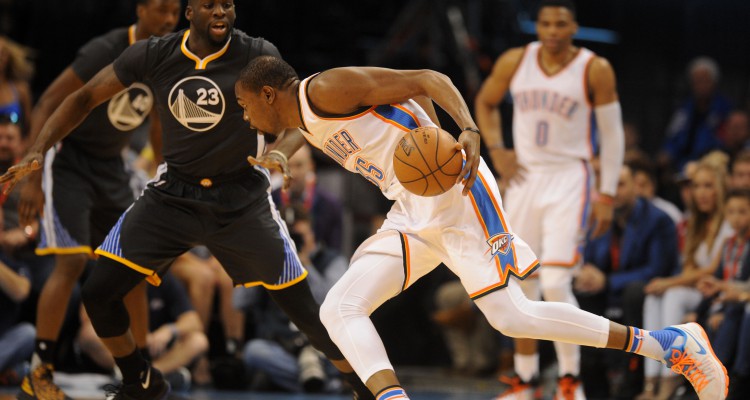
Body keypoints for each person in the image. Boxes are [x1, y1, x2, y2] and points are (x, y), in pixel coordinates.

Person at [234, 54, 729, 400]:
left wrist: (464, 130)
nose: (243, 114)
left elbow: (428, 78)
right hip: (410, 208)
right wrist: (280, 152)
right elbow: (305, 127)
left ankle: (669, 344)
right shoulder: (305, 112)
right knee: (340, 308)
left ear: (268, 93)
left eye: (244, 104)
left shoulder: (327, 88)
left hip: (456, 195)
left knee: (512, 317)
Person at [0, 1, 373, 399]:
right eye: (210, 5)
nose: (220, 13)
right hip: (174, 195)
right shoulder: (154, 53)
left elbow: (303, 115)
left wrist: (280, 152)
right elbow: (82, 98)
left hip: (241, 198)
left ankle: (360, 385)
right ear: (190, 11)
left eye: (227, 5)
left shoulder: (257, 53)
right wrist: (38, 150)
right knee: (98, 292)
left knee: (306, 312)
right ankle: (140, 379)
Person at [14, 2, 181, 399]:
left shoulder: (166, 57)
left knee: (133, 266)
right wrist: (32, 174)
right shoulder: (105, 50)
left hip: (112, 168)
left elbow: (158, 124)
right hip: (70, 160)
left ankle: (139, 375)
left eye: (176, 13)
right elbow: (46, 102)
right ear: (140, 9)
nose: (169, 21)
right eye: (162, 11)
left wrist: (166, 175)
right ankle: (39, 373)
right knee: (71, 262)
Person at [473, 0, 625, 397]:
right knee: (521, 285)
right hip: (524, 177)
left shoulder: (595, 68)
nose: (553, 30)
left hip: (569, 178)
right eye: (545, 23)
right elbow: (485, 102)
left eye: (561, 23)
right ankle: (525, 380)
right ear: (537, 26)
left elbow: (612, 135)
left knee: (557, 283)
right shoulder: (514, 61)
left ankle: (568, 378)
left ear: (574, 26)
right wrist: (497, 149)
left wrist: (606, 192)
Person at [575, 163, 678, 398]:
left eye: (620, 185)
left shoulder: (658, 220)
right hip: (607, 292)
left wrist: (607, 281)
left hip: (643, 294)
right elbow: (590, 258)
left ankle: (631, 385)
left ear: (636, 187)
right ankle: (587, 385)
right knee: (579, 293)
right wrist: (587, 274)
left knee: (634, 292)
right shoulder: (601, 217)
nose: (614, 192)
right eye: (609, 186)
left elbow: (657, 269)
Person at [639, 156, 733, 399]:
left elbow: (712, 269)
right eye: (697, 186)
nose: (700, 193)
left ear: (720, 189)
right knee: (653, 300)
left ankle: (670, 378)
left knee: (672, 295)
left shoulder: (728, 221)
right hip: (697, 289)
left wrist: (669, 282)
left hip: (719, 291)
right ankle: (652, 381)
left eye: (708, 186)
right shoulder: (692, 223)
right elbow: (690, 268)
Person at [659, 56, 731, 174]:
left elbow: (723, 141)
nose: (700, 85)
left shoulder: (724, 109)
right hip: (681, 164)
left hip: (710, 163)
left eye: (704, 80)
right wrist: (667, 153)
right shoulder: (684, 109)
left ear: (714, 82)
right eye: (696, 81)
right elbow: (673, 135)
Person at [272, 144, 344, 252]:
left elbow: (336, 256)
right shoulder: (270, 201)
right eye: (288, 166)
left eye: (299, 165)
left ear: (311, 166)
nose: (293, 173)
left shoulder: (330, 205)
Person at [0, 35, 33, 139]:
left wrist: (25, 147)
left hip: (12, 150)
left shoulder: (20, 89)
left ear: (9, 57)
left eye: (3, 53)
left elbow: (29, 127)